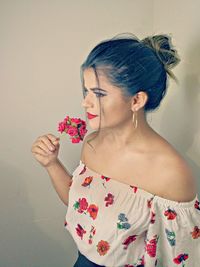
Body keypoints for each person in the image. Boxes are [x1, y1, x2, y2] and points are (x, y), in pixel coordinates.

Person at [31, 33, 200, 267]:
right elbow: (80, 205)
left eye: (98, 94)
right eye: (86, 91)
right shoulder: (92, 144)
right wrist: (51, 164)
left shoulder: (172, 174)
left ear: (136, 101)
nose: (85, 102)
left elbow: (182, 258)